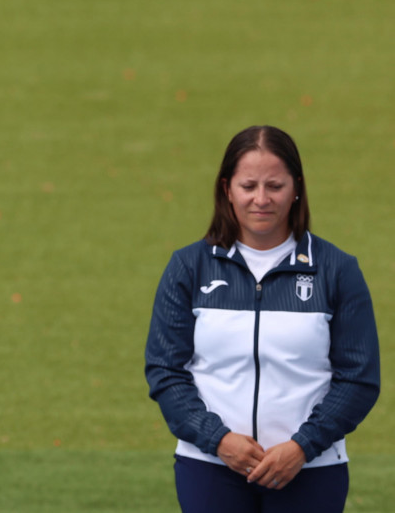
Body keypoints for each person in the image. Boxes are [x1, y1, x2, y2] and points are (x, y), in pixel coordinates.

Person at [145, 125, 380, 512]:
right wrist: (218, 439)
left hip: (311, 470)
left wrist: (302, 447)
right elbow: (165, 370)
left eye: (275, 185)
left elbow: (359, 377)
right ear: (227, 189)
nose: (261, 199)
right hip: (209, 467)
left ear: (297, 188)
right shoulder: (188, 267)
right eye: (248, 185)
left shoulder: (337, 270)